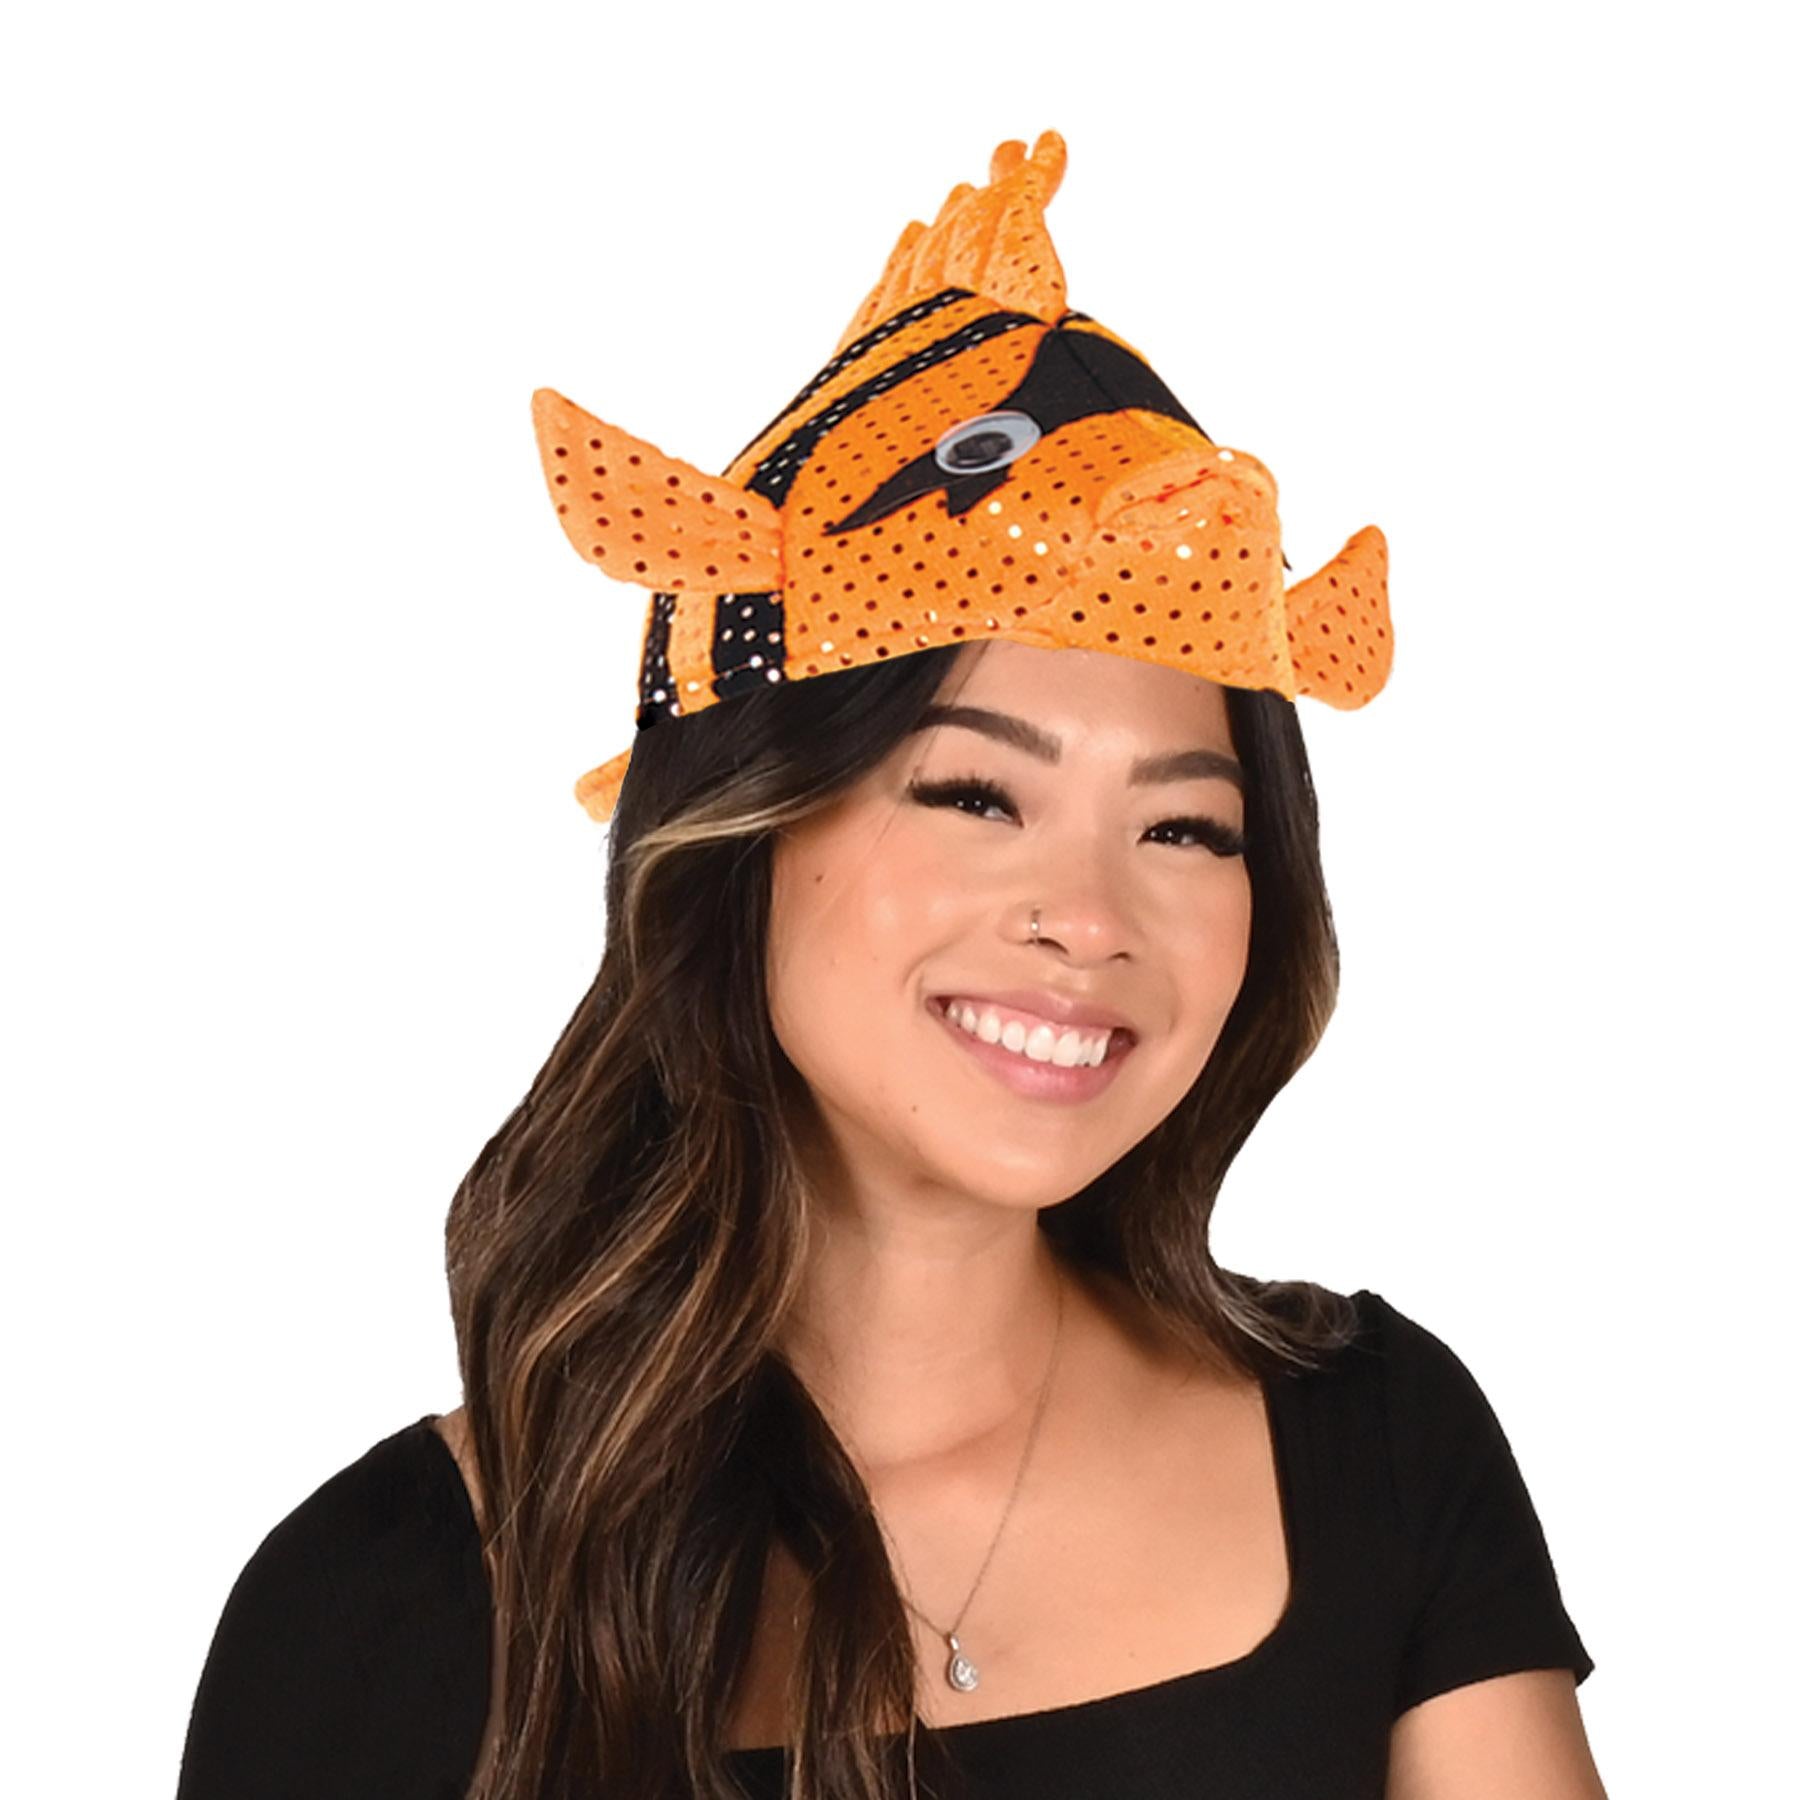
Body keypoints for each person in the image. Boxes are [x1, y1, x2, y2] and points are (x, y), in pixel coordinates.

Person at [175, 132, 1606, 1800]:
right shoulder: (379, 1610)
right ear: (745, 829)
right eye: (976, 795)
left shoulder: (1378, 1448)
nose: (1090, 916)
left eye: (1184, 828)